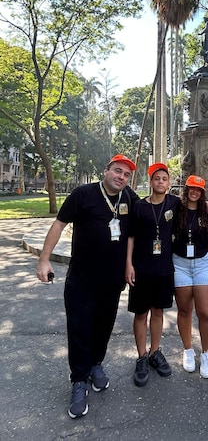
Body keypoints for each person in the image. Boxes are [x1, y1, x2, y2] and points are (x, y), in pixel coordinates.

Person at [36, 154, 139, 419]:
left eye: (126, 174)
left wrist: (204, 203)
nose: (121, 177)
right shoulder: (83, 194)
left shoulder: (129, 198)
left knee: (103, 327)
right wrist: (44, 259)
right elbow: (59, 225)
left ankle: (95, 364)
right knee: (80, 329)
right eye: (117, 171)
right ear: (106, 171)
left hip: (112, 280)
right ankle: (79, 380)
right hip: (82, 280)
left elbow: (154, 208)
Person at [126, 163, 179, 387]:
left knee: (158, 311)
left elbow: (194, 203)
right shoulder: (139, 207)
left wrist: (207, 203)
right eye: (157, 178)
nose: (160, 182)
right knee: (141, 313)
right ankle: (141, 357)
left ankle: (155, 352)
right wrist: (128, 264)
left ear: (168, 183)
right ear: (151, 182)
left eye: (164, 179)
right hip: (142, 268)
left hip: (164, 269)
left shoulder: (174, 203)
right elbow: (130, 237)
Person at [172, 175, 208, 378]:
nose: (194, 192)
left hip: (203, 264)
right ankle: (188, 350)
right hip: (180, 264)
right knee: (184, 309)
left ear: (202, 192)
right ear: (186, 188)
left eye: (198, 189)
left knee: (205, 312)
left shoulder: (207, 211)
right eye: (191, 188)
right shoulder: (176, 208)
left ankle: (206, 353)